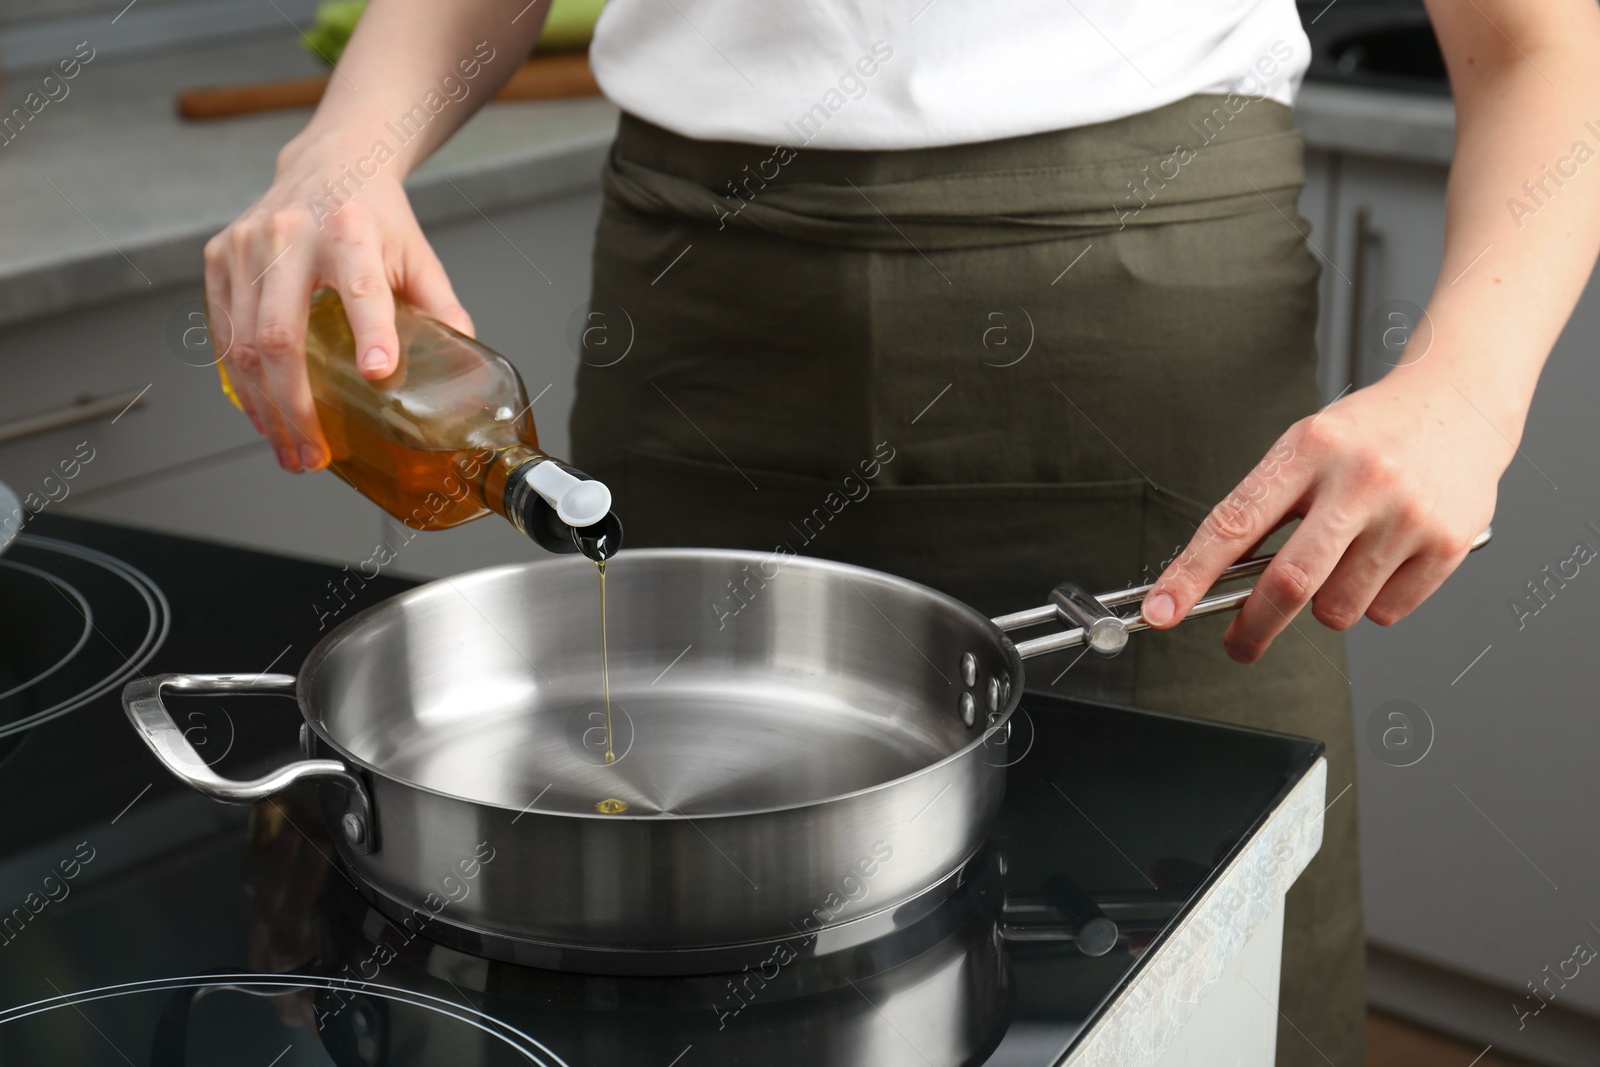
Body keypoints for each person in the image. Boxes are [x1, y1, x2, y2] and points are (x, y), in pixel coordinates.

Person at [205, 1, 1600, 1062]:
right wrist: (345, 143)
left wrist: (1468, 391)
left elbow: (1541, 47)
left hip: (1155, 373)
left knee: (1205, 990)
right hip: (703, 324)